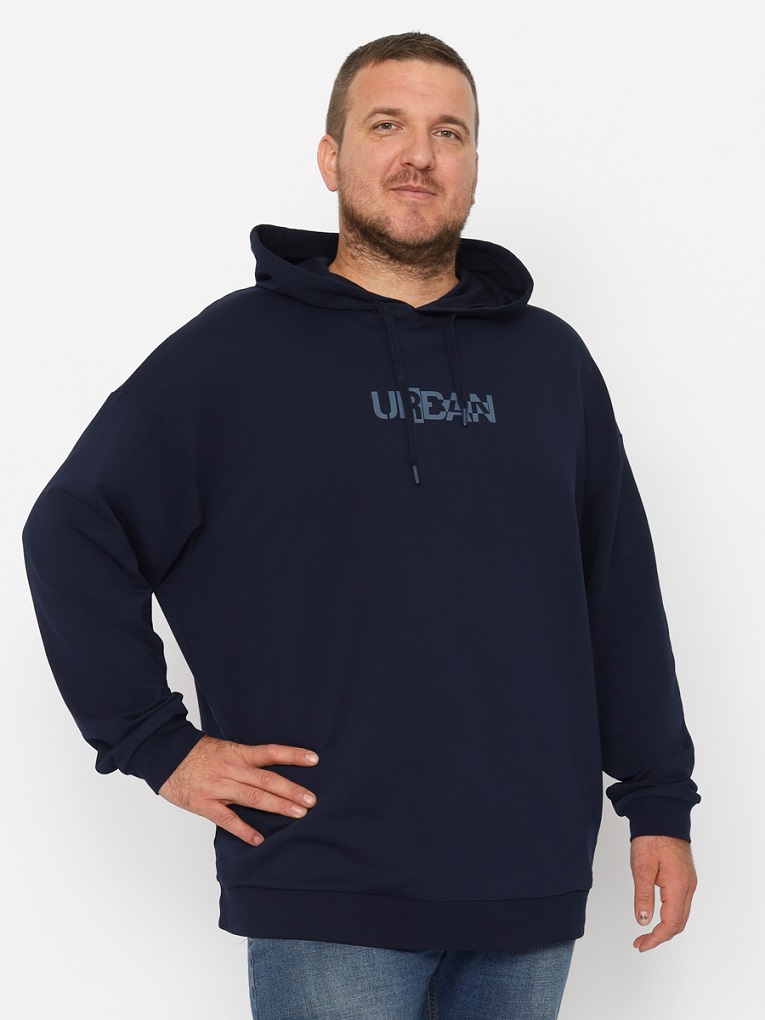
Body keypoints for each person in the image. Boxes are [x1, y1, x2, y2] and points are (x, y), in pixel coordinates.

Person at [22, 31, 699, 1020]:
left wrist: (657, 800)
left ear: (473, 165)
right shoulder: (234, 355)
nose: (419, 155)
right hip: (325, 874)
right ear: (332, 156)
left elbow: (618, 591)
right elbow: (74, 529)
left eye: (448, 133)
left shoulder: (551, 365)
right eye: (387, 126)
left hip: (527, 876)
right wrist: (157, 744)